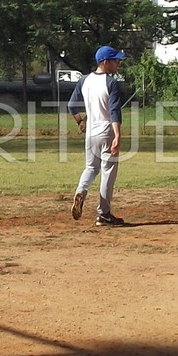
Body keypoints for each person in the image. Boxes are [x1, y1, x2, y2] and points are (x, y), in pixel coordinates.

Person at [68, 45, 126, 226]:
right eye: (116, 60)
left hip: (91, 133)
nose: (118, 63)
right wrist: (117, 135)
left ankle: (81, 191)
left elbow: (71, 106)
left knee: (91, 168)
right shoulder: (111, 83)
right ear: (105, 62)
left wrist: (80, 122)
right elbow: (114, 111)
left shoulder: (84, 80)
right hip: (107, 131)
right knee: (108, 172)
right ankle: (104, 214)